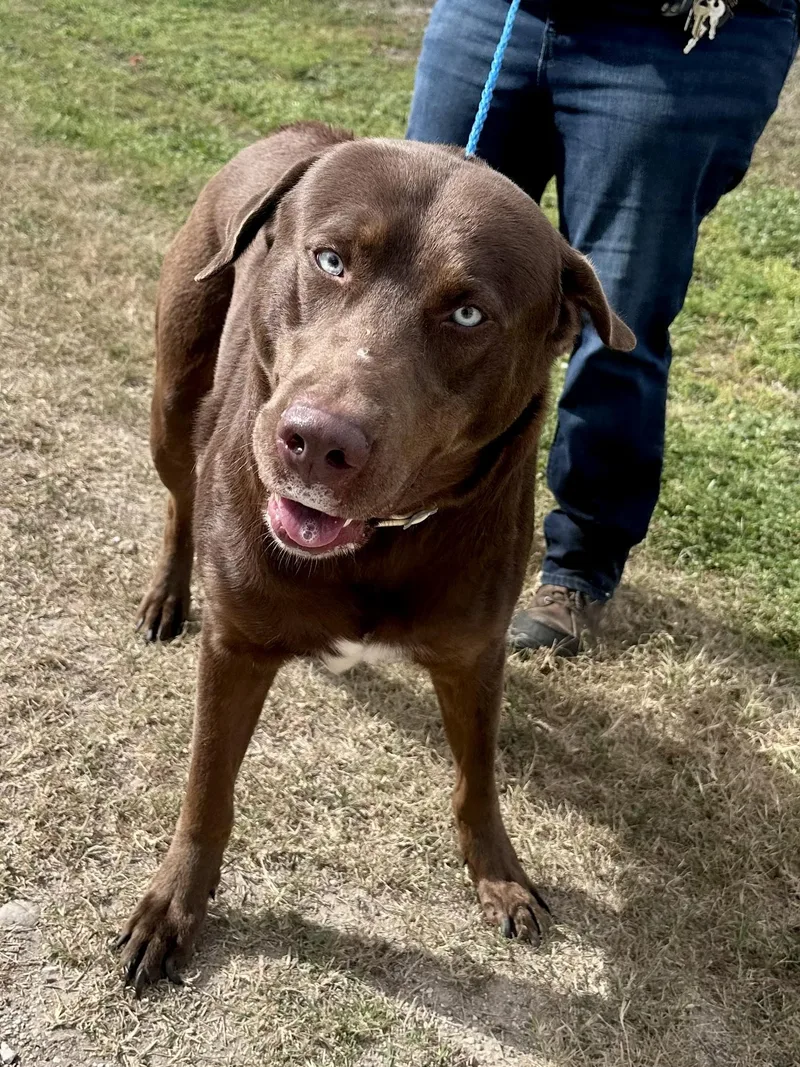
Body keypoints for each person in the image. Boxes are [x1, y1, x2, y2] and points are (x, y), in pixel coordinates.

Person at [406, 0, 798, 655]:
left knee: (618, 316)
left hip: (675, 42)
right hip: (499, 13)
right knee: (422, 285)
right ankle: (404, 519)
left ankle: (578, 568)